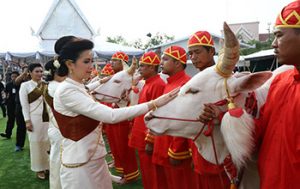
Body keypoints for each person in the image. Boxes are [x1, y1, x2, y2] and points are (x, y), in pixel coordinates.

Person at [52, 38, 178, 189]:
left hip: (93, 157)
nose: (91, 67)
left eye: (91, 61)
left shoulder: (79, 87)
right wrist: (153, 104)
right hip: (80, 162)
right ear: (70, 64)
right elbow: (110, 116)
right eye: (86, 62)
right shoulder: (67, 90)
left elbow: (92, 90)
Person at [200, 1, 300, 188]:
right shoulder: (280, 81)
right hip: (270, 179)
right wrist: (224, 118)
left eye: (279, 35)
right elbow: (263, 129)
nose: (273, 43)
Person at [188, 31, 232, 188]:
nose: (193, 57)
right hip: (200, 151)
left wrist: (220, 115)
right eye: (190, 53)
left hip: (223, 152)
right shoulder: (194, 81)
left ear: (211, 51)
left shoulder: (227, 79)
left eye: (197, 52)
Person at [152, 46, 196, 189]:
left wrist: (177, 151)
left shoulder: (184, 85)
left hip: (174, 148)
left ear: (177, 63)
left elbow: (185, 120)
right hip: (164, 143)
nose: (161, 62)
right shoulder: (170, 84)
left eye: (165, 59)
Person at [128, 51, 166, 189]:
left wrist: (151, 140)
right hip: (141, 134)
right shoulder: (149, 83)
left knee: (153, 174)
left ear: (152, 67)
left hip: (147, 138)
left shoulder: (158, 85)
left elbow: (157, 114)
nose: (140, 69)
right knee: (147, 172)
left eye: (143, 66)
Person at [44, 35, 76, 189]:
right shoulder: (56, 87)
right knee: (59, 161)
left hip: (60, 128)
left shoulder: (57, 85)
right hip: (60, 129)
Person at [104, 51, 140, 182]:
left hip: (124, 116)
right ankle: (121, 169)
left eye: (115, 61)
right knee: (116, 145)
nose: (111, 63)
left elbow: (133, 99)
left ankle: (130, 174)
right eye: (111, 60)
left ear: (122, 63)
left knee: (124, 148)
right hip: (114, 114)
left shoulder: (132, 79)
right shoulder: (115, 77)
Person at [19, 63, 50, 179]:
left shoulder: (46, 84)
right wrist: (27, 121)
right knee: (36, 143)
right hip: (34, 119)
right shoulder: (25, 86)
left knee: (48, 142)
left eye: (41, 71)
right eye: (37, 71)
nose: (40, 74)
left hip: (47, 118)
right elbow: (24, 105)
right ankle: (39, 169)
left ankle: (48, 166)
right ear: (30, 73)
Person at [0, 71, 19, 139]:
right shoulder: (9, 84)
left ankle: (21, 134)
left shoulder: (21, 84)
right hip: (10, 104)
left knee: (19, 120)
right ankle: (8, 133)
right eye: (12, 76)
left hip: (19, 104)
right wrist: (5, 98)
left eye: (15, 76)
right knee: (10, 119)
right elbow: (5, 93)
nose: (13, 78)